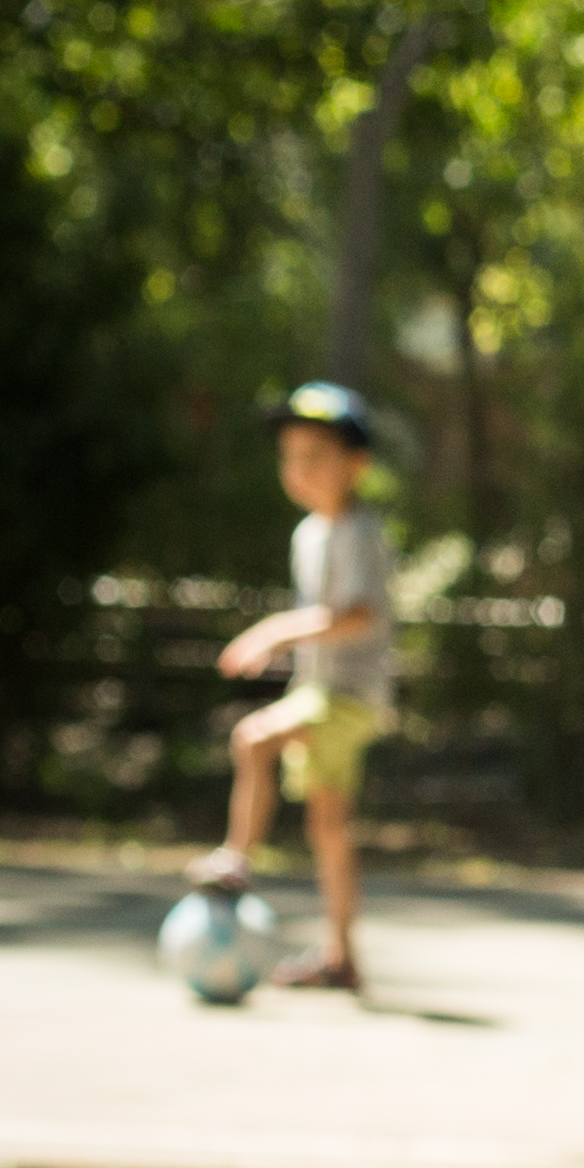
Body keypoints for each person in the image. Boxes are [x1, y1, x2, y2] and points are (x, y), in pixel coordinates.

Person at [192, 379, 393, 995]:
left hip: (348, 697)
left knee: (254, 738)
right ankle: (342, 956)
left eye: (315, 457)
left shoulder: (359, 532)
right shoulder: (308, 534)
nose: (299, 470)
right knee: (328, 830)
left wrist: (277, 631)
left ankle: (236, 859)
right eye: (290, 458)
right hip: (323, 693)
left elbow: (362, 615)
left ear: (356, 464)